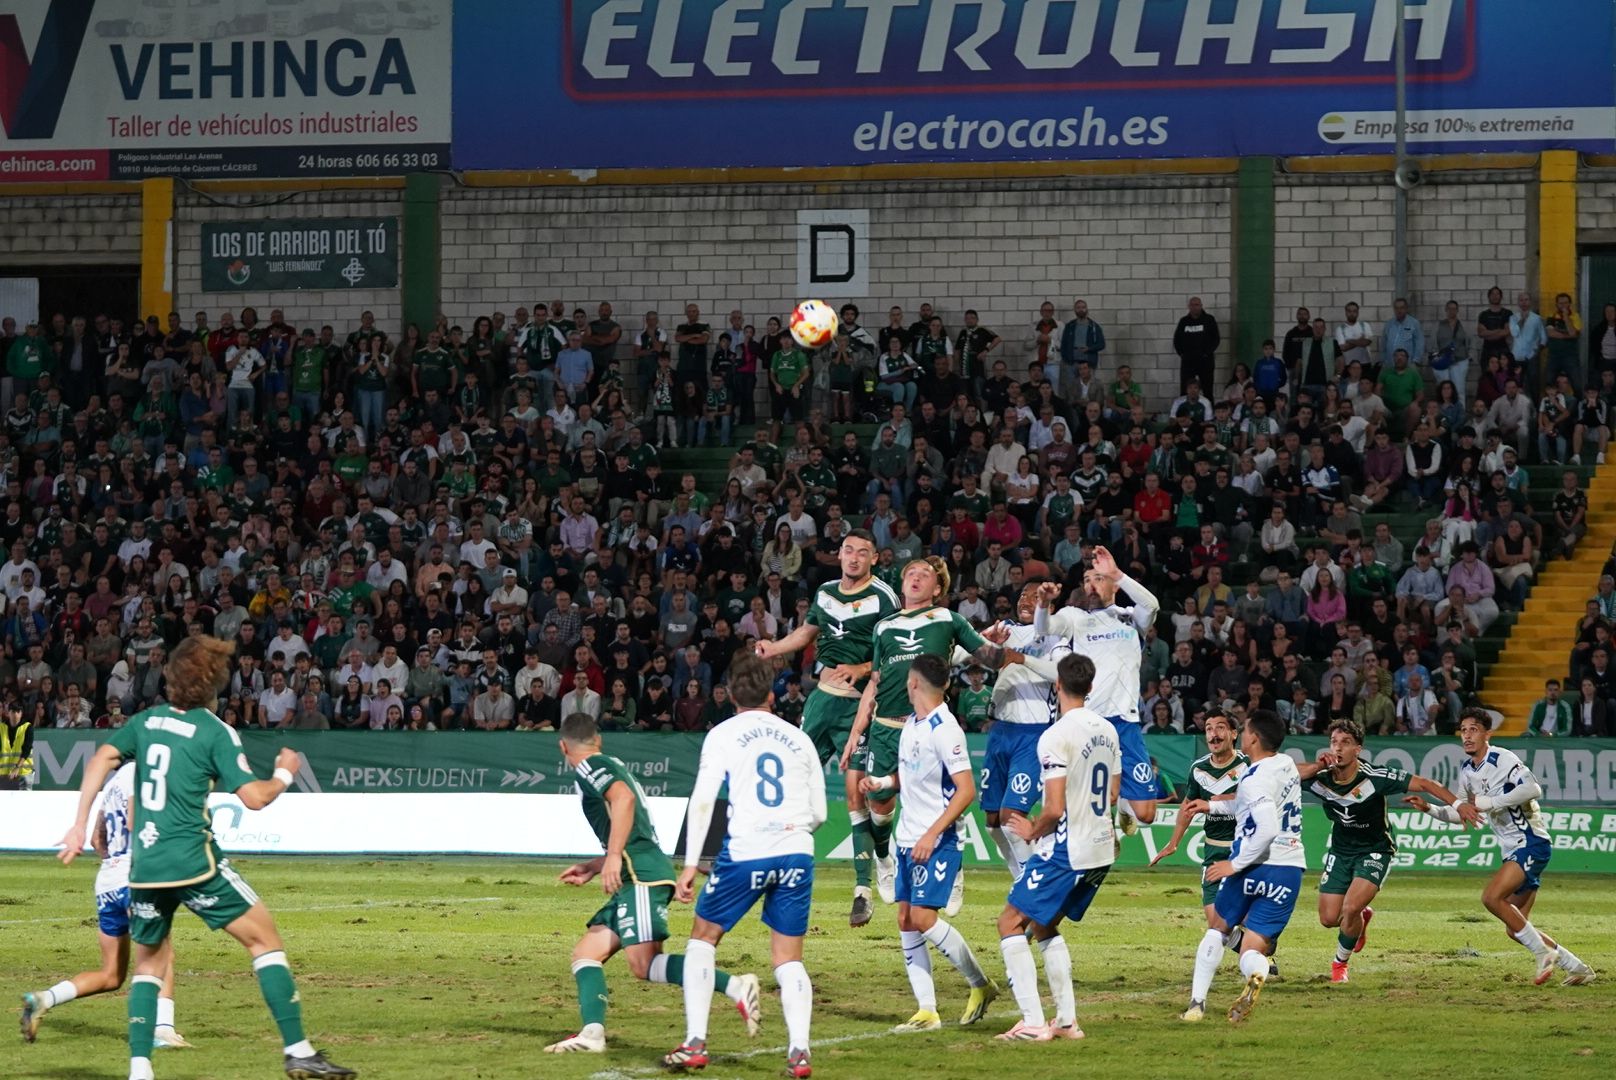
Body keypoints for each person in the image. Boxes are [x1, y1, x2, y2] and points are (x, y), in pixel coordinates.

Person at [53, 635, 354, 1080]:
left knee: (149, 965)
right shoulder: (216, 731)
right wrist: (285, 774)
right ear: (213, 683)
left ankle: (140, 1071)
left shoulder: (148, 721)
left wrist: (79, 822)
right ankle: (299, 1050)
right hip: (194, 862)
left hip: (146, 866)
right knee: (264, 941)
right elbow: (253, 798)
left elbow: (102, 757)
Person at [544, 713, 761, 1055]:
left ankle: (735, 986)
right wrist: (596, 864)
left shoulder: (589, 766)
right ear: (597, 738)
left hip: (639, 876)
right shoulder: (610, 761)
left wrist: (613, 856)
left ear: (563, 746)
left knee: (644, 965)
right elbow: (635, 829)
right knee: (586, 953)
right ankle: (592, 1033)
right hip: (635, 872)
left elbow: (624, 800)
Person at [662, 654, 824, 1078]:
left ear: (731, 695)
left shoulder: (722, 734)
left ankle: (695, 1042)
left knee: (702, 939)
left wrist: (689, 864)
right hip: (796, 849)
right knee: (788, 959)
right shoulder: (799, 737)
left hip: (748, 847)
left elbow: (703, 800)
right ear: (771, 695)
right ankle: (800, 1052)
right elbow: (820, 812)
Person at [842, 557, 1026, 917]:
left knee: (943, 800)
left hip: (926, 727)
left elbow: (988, 658)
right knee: (879, 806)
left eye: (924, 575)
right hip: (885, 728)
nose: (915, 577)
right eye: (910, 572)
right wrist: (856, 732)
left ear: (937, 589)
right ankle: (884, 858)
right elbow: (876, 683)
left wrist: (1001, 646)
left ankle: (954, 870)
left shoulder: (948, 620)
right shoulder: (884, 627)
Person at [753, 529, 899, 926]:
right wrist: (775, 647)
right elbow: (807, 632)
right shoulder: (826, 591)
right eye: (848, 551)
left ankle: (864, 886)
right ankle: (774, 871)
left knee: (859, 795)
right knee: (795, 785)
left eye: (862, 553)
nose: (853, 558)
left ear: (873, 559)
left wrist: (860, 668)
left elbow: (896, 653)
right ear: (840, 555)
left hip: (861, 706)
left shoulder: (885, 598)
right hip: (821, 701)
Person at [858, 654, 999, 1031]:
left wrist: (933, 832)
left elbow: (966, 790)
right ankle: (927, 1011)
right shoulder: (912, 725)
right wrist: (882, 784)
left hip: (936, 839)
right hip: (908, 836)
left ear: (914, 683)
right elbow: (910, 776)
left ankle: (980, 984)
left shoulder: (945, 728)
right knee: (905, 919)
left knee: (922, 918)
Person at [1409, 709, 1596, 986]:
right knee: (1516, 927)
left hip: (1531, 842)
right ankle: (1578, 968)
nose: (1467, 735)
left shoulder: (1502, 758)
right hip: (1513, 850)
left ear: (1487, 734)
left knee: (1491, 898)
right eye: (1463, 730)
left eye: (1473, 729)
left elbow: (1533, 789)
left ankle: (1543, 952)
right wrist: (1430, 809)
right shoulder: (1466, 770)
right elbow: (1463, 811)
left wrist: (1492, 802)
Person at [993, 653, 1119, 1041]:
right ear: (1091, 686)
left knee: (1009, 923)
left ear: (1056, 687)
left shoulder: (1056, 735)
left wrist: (1032, 829)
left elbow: (1053, 808)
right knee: (1044, 924)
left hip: (1068, 848)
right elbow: (1113, 794)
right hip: (1101, 849)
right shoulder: (1108, 730)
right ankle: (1065, 1022)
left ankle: (1032, 1023)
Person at [22, 760, 189, 1049]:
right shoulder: (142, 773)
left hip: (108, 880)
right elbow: (139, 824)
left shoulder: (112, 784)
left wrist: (116, 860)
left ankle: (43, 999)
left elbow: (98, 840)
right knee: (161, 953)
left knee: (111, 975)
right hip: (134, 878)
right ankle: (162, 1031)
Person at [1296, 720, 1472, 982]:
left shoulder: (1376, 777)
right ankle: (1363, 918)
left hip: (1375, 850)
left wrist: (1459, 805)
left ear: (1358, 749)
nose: (1338, 747)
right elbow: (1284, 774)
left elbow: (1425, 783)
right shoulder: (1320, 778)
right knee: (1329, 919)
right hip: (1341, 851)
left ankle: (1339, 965)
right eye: (1334, 742)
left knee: (1351, 906)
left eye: (1345, 742)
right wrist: (1319, 765)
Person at [1176, 709, 1303, 1024]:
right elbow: (1250, 802)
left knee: (1217, 928)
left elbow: (1267, 827)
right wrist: (1214, 804)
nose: (1242, 734)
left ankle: (1196, 1005)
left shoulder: (1254, 777)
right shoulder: (1285, 765)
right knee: (1250, 949)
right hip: (1289, 871)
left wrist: (1235, 864)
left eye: (1245, 730)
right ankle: (1258, 972)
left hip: (1255, 866)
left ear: (1254, 739)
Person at [1032, 546, 1161, 831]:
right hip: (1089, 723)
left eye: (1099, 579)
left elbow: (1152, 606)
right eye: (1088, 580)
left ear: (1114, 584)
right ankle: (1093, 839)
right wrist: (1043, 604)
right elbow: (1043, 629)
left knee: (1146, 814)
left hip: (1125, 723)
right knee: (1091, 796)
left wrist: (1116, 572)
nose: (1091, 585)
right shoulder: (1075, 617)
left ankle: (1124, 812)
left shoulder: (1130, 618)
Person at [976, 583, 1072, 883]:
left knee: (1010, 817)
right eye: (1021, 597)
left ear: (1049, 606)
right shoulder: (1005, 630)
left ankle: (1031, 883)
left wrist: (1022, 659)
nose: (1025, 601)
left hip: (1033, 734)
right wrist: (983, 641)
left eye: (1033, 596)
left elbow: (1063, 674)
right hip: (1000, 731)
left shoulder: (1056, 638)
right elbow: (960, 655)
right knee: (992, 822)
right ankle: (1020, 873)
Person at [1148, 712, 1248, 936]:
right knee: (1216, 927)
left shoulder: (1248, 765)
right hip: (1214, 851)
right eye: (1209, 729)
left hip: (1245, 850)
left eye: (1220, 728)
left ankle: (1260, 953)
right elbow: (1187, 807)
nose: (1214, 734)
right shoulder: (1198, 769)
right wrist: (1173, 843)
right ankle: (1254, 954)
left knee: (1250, 920)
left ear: (1233, 734)